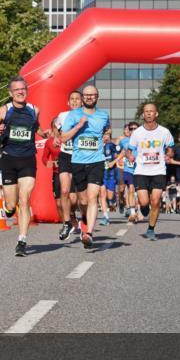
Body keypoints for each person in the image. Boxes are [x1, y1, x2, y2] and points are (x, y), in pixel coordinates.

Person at [0, 76, 51, 257]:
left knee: (25, 199)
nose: (21, 92)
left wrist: (43, 133)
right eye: (17, 90)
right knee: (12, 203)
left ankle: (22, 241)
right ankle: (9, 208)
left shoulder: (34, 110)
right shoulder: (3, 111)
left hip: (28, 159)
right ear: (10, 93)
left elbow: (35, 127)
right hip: (8, 160)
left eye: (23, 89)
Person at [59, 85, 110, 250]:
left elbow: (107, 129)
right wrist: (78, 126)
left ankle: (89, 233)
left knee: (93, 196)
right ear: (83, 98)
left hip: (97, 161)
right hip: (78, 162)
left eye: (92, 95)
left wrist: (107, 135)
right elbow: (63, 137)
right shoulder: (74, 115)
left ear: (97, 97)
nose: (89, 97)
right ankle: (85, 220)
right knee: (83, 200)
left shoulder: (103, 115)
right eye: (86, 95)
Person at [126, 103, 175, 241]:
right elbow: (129, 150)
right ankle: (144, 208)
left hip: (158, 170)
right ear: (143, 114)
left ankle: (151, 229)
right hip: (141, 170)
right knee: (144, 201)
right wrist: (130, 156)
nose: (148, 114)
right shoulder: (137, 133)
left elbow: (171, 148)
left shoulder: (164, 132)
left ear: (156, 114)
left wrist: (169, 155)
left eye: (151, 111)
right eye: (146, 111)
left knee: (155, 201)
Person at [51, 90, 82, 241]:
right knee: (64, 190)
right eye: (72, 99)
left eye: (78, 99)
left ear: (82, 102)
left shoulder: (86, 116)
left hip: (81, 158)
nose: (75, 101)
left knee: (75, 199)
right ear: (68, 103)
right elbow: (54, 125)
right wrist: (56, 137)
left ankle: (71, 213)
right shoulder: (63, 116)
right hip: (65, 156)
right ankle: (66, 223)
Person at [119, 122, 142, 223]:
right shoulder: (124, 141)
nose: (133, 131)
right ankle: (132, 212)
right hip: (128, 170)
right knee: (130, 189)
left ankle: (140, 210)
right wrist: (119, 158)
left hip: (140, 170)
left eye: (135, 129)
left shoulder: (143, 140)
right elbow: (117, 152)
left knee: (142, 193)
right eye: (131, 129)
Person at [99, 126, 121, 226]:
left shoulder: (112, 145)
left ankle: (112, 202)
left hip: (111, 174)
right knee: (102, 194)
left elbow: (122, 153)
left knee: (110, 196)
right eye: (104, 135)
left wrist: (114, 162)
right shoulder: (98, 146)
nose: (105, 137)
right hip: (101, 174)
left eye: (107, 135)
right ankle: (105, 217)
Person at [41, 132, 63, 221]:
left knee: (71, 199)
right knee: (58, 202)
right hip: (57, 172)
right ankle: (65, 223)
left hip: (70, 172)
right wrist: (48, 163)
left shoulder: (69, 138)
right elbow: (44, 158)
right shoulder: (49, 142)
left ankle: (71, 216)